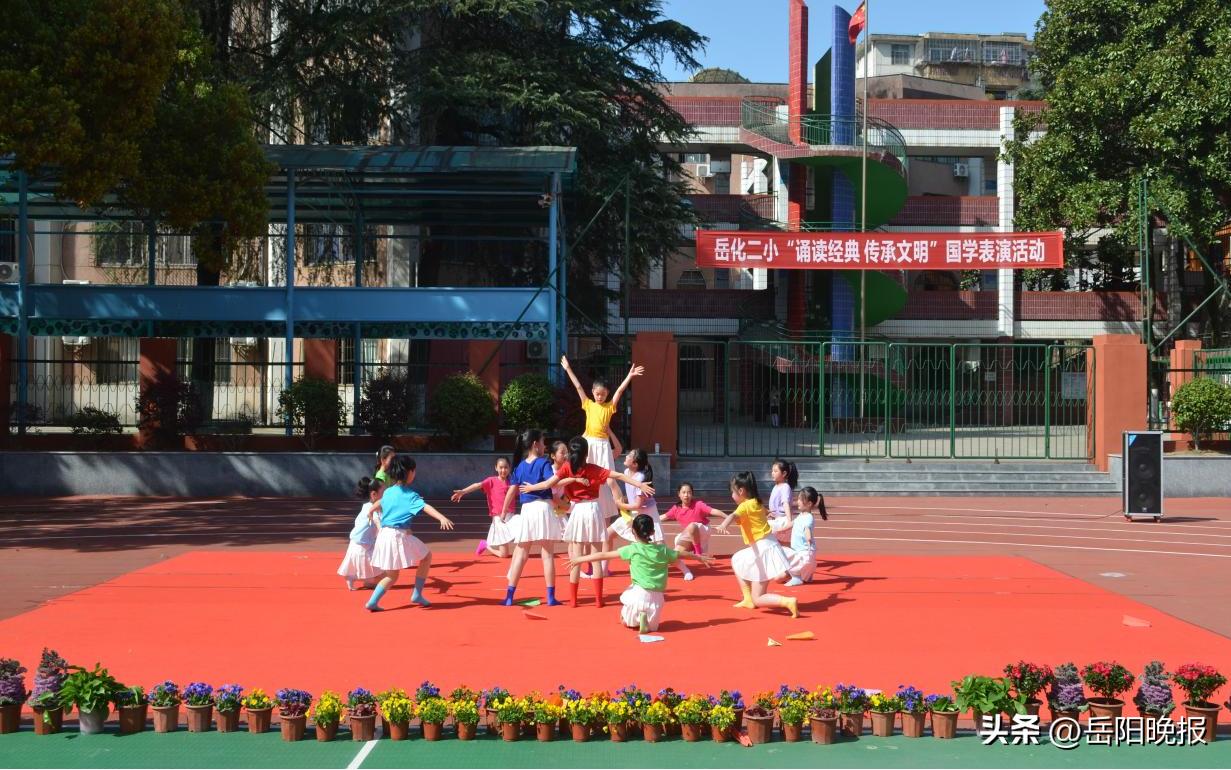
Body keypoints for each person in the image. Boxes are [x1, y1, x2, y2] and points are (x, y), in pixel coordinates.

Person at [523, 436, 655, 607]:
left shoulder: (567, 468)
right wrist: (640, 485)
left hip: (577, 511)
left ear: (571, 452)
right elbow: (619, 475)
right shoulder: (593, 469)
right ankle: (599, 600)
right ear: (587, 453)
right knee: (596, 557)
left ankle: (573, 600)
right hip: (593, 510)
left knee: (576, 557)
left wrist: (531, 488)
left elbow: (548, 484)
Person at [568, 514, 712, 633]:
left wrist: (580, 559)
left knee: (624, 621)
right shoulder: (662, 550)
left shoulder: (633, 549)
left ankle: (635, 617)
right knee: (653, 628)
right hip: (657, 599)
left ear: (633, 532)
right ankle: (647, 621)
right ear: (652, 532)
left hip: (638, 595)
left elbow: (603, 555)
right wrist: (698, 557)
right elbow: (681, 554)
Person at [500, 429, 581, 606]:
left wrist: (503, 511)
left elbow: (512, 490)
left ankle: (509, 596)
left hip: (527, 511)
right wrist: (573, 479)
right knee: (547, 555)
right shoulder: (543, 463)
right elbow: (554, 482)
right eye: (543, 442)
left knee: (520, 555)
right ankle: (551, 597)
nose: (545, 445)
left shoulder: (520, 466)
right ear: (535, 444)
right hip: (543, 508)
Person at [366, 455, 454, 612]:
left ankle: (372, 602)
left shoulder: (388, 492)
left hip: (384, 535)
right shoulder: (410, 495)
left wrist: (372, 508)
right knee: (426, 557)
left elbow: (380, 502)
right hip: (398, 536)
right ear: (409, 472)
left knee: (391, 576)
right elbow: (425, 506)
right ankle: (417, 594)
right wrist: (441, 517)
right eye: (414, 471)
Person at [560, 356, 642, 521]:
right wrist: (568, 368)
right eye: (597, 394)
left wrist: (629, 376)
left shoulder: (610, 406)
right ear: (593, 392)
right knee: (582, 474)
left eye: (603, 394)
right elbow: (578, 387)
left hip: (603, 445)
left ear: (607, 394)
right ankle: (569, 503)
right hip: (589, 443)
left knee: (610, 479)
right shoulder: (588, 404)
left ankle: (623, 510)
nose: (600, 397)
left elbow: (619, 391)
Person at [714, 471, 799, 618]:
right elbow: (765, 511)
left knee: (759, 598)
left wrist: (723, 525)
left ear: (741, 491)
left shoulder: (745, 505)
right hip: (765, 547)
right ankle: (747, 599)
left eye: (732, 492)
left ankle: (787, 601)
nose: (731, 496)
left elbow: (733, 515)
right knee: (737, 559)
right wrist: (768, 514)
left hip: (763, 549)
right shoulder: (756, 502)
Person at [451, 457, 516, 559]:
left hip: (511, 517)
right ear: (496, 468)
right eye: (501, 467)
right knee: (504, 555)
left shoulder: (512, 482)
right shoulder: (491, 481)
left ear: (509, 468)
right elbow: (477, 485)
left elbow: (522, 490)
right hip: (499, 519)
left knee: (523, 532)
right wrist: (463, 491)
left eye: (506, 467)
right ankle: (486, 545)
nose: (503, 470)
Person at [660, 482, 724, 581]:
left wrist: (728, 517)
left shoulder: (698, 505)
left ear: (692, 494)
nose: (686, 495)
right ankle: (687, 570)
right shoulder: (676, 508)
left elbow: (713, 511)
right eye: (684, 492)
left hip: (703, 531)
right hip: (691, 535)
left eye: (689, 492)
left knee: (691, 526)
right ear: (679, 494)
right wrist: (645, 519)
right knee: (675, 554)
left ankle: (698, 553)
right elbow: (662, 517)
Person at [338, 476, 384, 590]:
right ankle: (355, 576)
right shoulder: (374, 510)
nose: (387, 494)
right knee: (386, 577)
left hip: (356, 544)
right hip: (363, 547)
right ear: (374, 494)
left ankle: (355, 577)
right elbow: (379, 524)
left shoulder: (366, 506)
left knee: (378, 574)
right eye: (384, 491)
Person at [785, 486, 827, 586]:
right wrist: (774, 529)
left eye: (800, 499)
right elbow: (791, 524)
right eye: (798, 498)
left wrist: (808, 540)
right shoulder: (801, 515)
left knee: (786, 559)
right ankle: (806, 576)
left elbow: (807, 529)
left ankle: (797, 577)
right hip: (800, 550)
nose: (797, 501)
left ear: (809, 504)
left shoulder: (808, 517)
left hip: (804, 551)